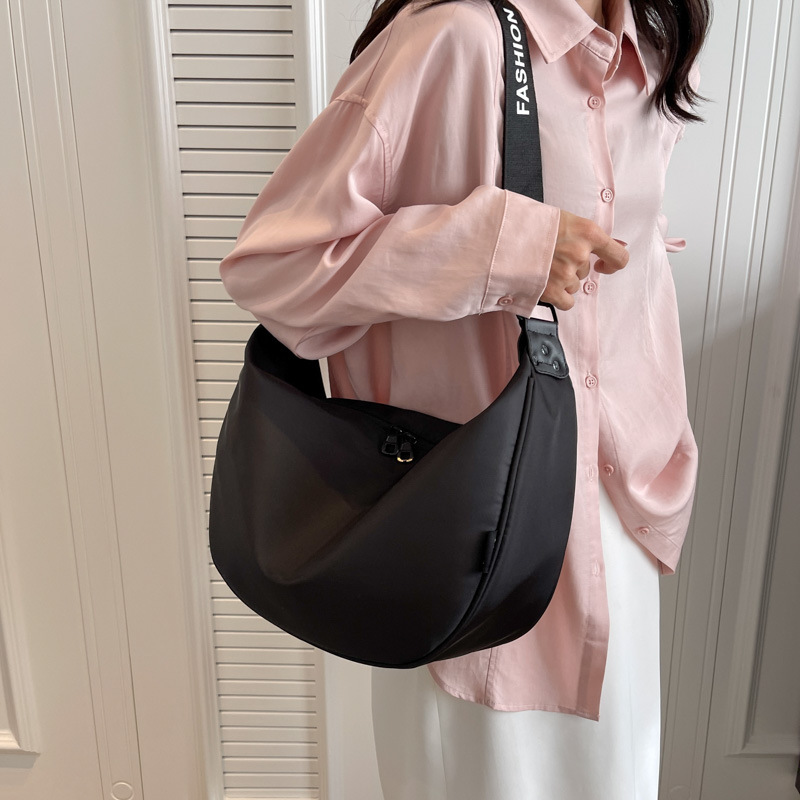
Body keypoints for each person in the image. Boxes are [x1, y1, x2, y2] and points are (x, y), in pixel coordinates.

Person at [218, 0, 710, 795]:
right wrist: (503, 248)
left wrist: (659, 430)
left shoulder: (646, 49)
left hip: (617, 515)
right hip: (471, 533)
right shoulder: (452, 43)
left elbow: (638, 266)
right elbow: (273, 267)